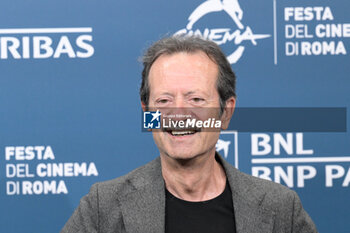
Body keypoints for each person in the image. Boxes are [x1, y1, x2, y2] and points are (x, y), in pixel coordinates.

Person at [61, 35, 317, 233]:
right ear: (147, 114)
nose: (179, 113)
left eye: (196, 99)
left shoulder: (281, 208)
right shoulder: (102, 207)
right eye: (163, 100)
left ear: (225, 113)